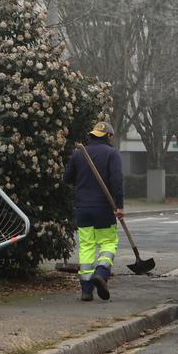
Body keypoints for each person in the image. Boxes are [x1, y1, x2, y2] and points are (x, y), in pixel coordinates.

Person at [63, 121, 124, 301]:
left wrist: (82, 183)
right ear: (109, 136)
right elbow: (117, 182)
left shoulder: (78, 154)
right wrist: (119, 206)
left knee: (87, 247)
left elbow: (67, 178)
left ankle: (86, 290)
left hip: (83, 208)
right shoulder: (112, 154)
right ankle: (101, 272)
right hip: (104, 208)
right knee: (108, 243)